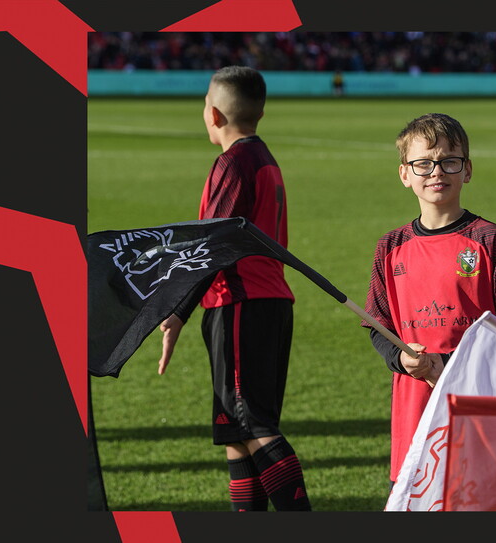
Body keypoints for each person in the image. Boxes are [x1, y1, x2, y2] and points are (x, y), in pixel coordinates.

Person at [156, 65, 312, 512]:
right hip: (262, 301)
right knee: (236, 433)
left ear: (214, 115)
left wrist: (177, 311)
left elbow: (212, 245)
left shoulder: (235, 162)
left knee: (254, 425)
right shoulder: (262, 157)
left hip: (241, 302)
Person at [362, 113, 496, 491]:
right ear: (404, 174)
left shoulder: (489, 240)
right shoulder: (390, 247)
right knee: (417, 492)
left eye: (449, 161)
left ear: (467, 170)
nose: (436, 172)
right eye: (423, 163)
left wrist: (447, 363)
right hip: (413, 402)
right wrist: (400, 358)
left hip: (475, 399)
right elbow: (378, 326)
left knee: (471, 492)